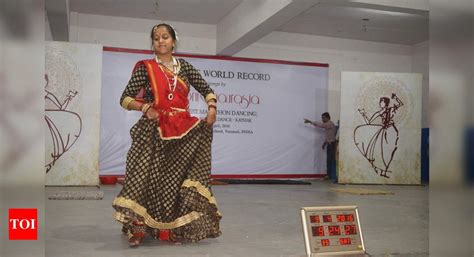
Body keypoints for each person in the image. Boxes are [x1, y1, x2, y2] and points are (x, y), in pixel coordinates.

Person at [112, 23, 221, 247]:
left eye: (165, 37)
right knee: (142, 177)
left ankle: (167, 230)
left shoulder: (186, 68)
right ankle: (137, 228)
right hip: (152, 130)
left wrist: (212, 107)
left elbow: (207, 89)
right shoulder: (146, 67)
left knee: (171, 182)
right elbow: (125, 98)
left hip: (182, 132)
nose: (160, 41)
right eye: (156, 38)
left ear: (173, 41)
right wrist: (145, 108)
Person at [304, 112, 337, 181]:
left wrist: (310, 121)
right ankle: (329, 175)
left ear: (327, 117)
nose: (322, 119)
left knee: (331, 160)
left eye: (323, 118)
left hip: (332, 145)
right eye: (322, 118)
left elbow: (321, 125)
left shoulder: (329, 124)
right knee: (329, 161)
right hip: (329, 144)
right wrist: (324, 143)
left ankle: (332, 176)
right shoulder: (328, 125)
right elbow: (329, 135)